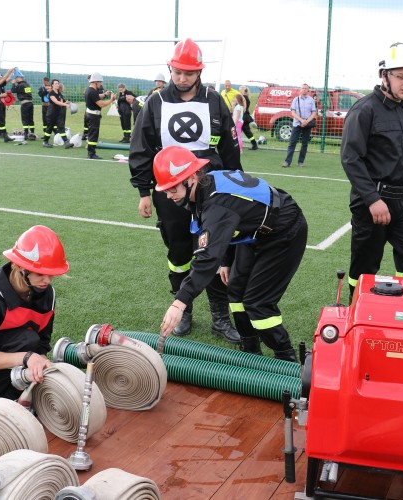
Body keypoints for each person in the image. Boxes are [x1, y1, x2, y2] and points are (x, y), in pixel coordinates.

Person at [129, 38, 242, 343]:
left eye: (189, 73)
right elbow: (140, 148)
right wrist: (143, 190)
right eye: (178, 72)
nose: (182, 78)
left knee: (216, 251)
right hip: (170, 192)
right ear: (171, 69)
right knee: (179, 252)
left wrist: (236, 181)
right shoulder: (155, 102)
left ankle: (220, 316)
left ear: (199, 73)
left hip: (211, 188)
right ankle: (185, 308)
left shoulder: (215, 100)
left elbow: (230, 147)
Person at [156, 146, 307, 361]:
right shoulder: (207, 183)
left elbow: (207, 258)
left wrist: (179, 303)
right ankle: (250, 349)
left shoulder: (216, 205)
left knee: (257, 303)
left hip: (284, 232)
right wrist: (227, 260)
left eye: (172, 189)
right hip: (254, 231)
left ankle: (287, 357)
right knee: (235, 289)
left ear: (191, 178)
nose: (169, 196)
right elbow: (230, 224)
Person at [341, 42, 403, 303]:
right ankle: (358, 312)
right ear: (384, 76)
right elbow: (351, 158)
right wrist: (372, 199)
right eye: (401, 76)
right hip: (374, 202)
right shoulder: (364, 109)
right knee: (365, 267)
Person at [0, 225, 70, 399]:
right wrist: (28, 358)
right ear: (20, 267)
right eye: (40, 273)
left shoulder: (47, 294)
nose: (47, 280)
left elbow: (42, 342)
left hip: (18, 365)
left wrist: (40, 361)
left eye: (52, 274)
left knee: (29, 340)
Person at [281, 83, 317, 168]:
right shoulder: (295, 100)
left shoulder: (311, 100)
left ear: (308, 90)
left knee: (304, 143)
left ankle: (301, 162)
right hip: (297, 123)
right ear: (300, 89)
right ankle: (287, 161)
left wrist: (306, 121)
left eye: (306, 88)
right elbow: (293, 112)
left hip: (307, 124)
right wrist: (301, 120)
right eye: (303, 88)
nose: (304, 89)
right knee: (292, 142)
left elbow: (314, 112)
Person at [84, 72, 117, 159]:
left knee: (92, 133)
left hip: (90, 114)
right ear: (95, 82)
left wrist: (105, 94)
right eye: (100, 82)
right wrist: (111, 100)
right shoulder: (92, 92)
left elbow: (97, 96)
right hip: (93, 116)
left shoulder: (89, 90)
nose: (100, 84)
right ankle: (91, 154)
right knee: (93, 135)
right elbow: (101, 104)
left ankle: (91, 152)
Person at [42, 79, 74, 149]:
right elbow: (56, 102)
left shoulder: (59, 94)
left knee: (61, 127)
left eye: (58, 83)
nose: (57, 84)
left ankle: (66, 142)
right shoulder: (51, 93)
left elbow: (62, 102)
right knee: (50, 128)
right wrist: (65, 105)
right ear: (52, 85)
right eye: (56, 83)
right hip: (51, 113)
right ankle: (45, 141)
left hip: (58, 113)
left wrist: (67, 103)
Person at [10, 70, 35, 141]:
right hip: (30, 103)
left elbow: (13, 90)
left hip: (25, 104)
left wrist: (13, 84)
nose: (15, 79)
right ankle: (32, 132)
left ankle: (26, 134)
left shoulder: (20, 85)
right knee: (30, 119)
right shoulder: (27, 84)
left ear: (19, 78)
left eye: (16, 78)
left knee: (25, 119)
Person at [0, 68, 14, 143]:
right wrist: (1, 96)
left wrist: (9, 72)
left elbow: (4, 79)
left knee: (2, 121)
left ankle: (5, 136)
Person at [238, 85, 258, 150]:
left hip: (243, 117)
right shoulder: (246, 97)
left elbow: (242, 108)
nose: (239, 91)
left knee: (244, 132)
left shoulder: (243, 98)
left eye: (240, 90)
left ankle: (254, 144)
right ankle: (254, 144)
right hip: (244, 117)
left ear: (242, 90)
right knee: (245, 132)